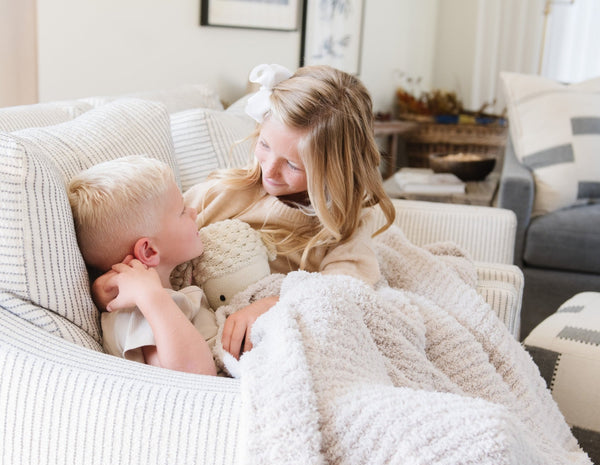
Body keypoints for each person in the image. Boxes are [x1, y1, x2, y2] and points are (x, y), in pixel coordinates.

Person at [183, 63, 396, 359]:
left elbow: (347, 285)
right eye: (265, 144)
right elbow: (159, 236)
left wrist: (273, 303)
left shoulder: (344, 221)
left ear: (334, 170)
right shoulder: (224, 193)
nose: (269, 169)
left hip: (275, 337)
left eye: (293, 165)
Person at [68, 155, 217, 376]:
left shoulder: (167, 291)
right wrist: (152, 299)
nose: (194, 212)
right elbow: (195, 379)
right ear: (149, 251)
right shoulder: (136, 313)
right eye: (182, 211)